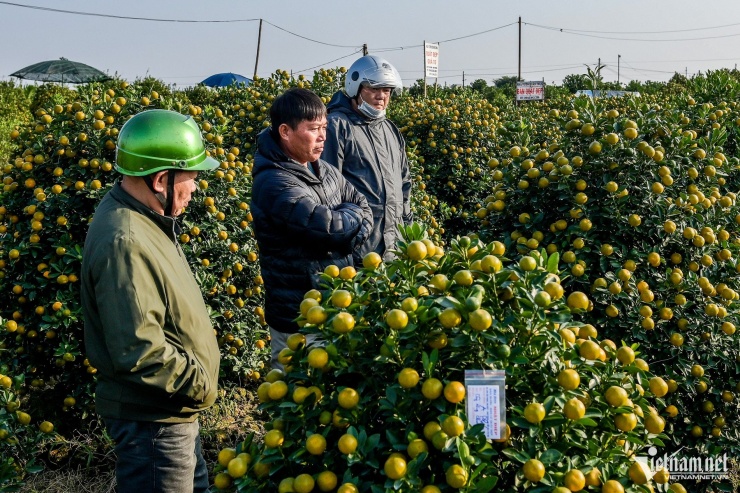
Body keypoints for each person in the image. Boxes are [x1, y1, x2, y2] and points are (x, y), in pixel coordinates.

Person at [81, 109, 220, 493]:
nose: (194, 189)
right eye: (191, 178)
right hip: (154, 426)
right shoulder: (125, 240)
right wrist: (200, 384)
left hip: (171, 415)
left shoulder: (147, 220)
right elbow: (140, 350)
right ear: (162, 179)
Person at [251, 88, 372, 369]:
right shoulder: (274, 183)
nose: (322, 136)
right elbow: (331, 229)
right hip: (298, 316)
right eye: (313, 128)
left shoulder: (324, 169)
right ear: (285, 131)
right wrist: (345, 232)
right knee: (295, 393)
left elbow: (362, 207)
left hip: (333, 305)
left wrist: (345, 228)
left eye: (325, 127)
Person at [322, 55, 412, 263]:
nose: (381, 96)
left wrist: (406, 229)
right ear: (356, 88)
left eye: (387, 90)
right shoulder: (338, 126)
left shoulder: (390, 130)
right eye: (374, 88)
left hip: (394, 246)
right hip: (357, 248)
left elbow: (404, 183)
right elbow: (327, 190)